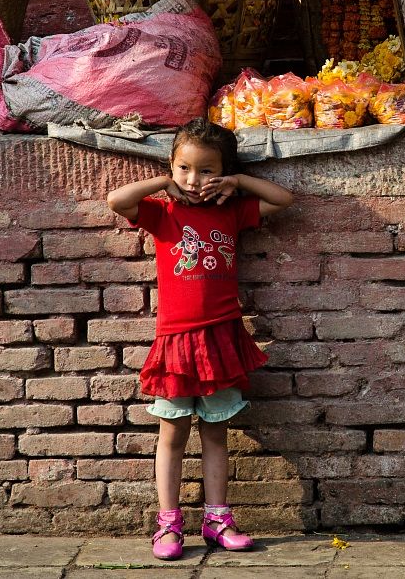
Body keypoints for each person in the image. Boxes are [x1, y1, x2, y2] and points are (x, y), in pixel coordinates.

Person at [106, 118, 293, 561]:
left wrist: (240, 182)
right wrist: (163, 183)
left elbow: (284, 200)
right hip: (175, 343)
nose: (195, 180)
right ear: (172, 167)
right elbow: (117, 201)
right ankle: (168, 526)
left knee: (215, 435)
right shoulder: (164, 213)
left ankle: (217, 520)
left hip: (221, 340)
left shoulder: (231, 210)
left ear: (224, 172)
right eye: (185, 168)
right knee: (171, 435)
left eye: (207, 170)